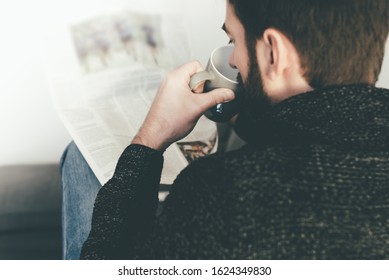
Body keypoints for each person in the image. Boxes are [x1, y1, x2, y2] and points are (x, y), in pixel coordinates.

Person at [61, 0, 389, 259]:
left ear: (274, 52)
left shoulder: (223, 192)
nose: (232, 60)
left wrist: (150, 139)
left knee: (79, 158)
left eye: (233, 39)